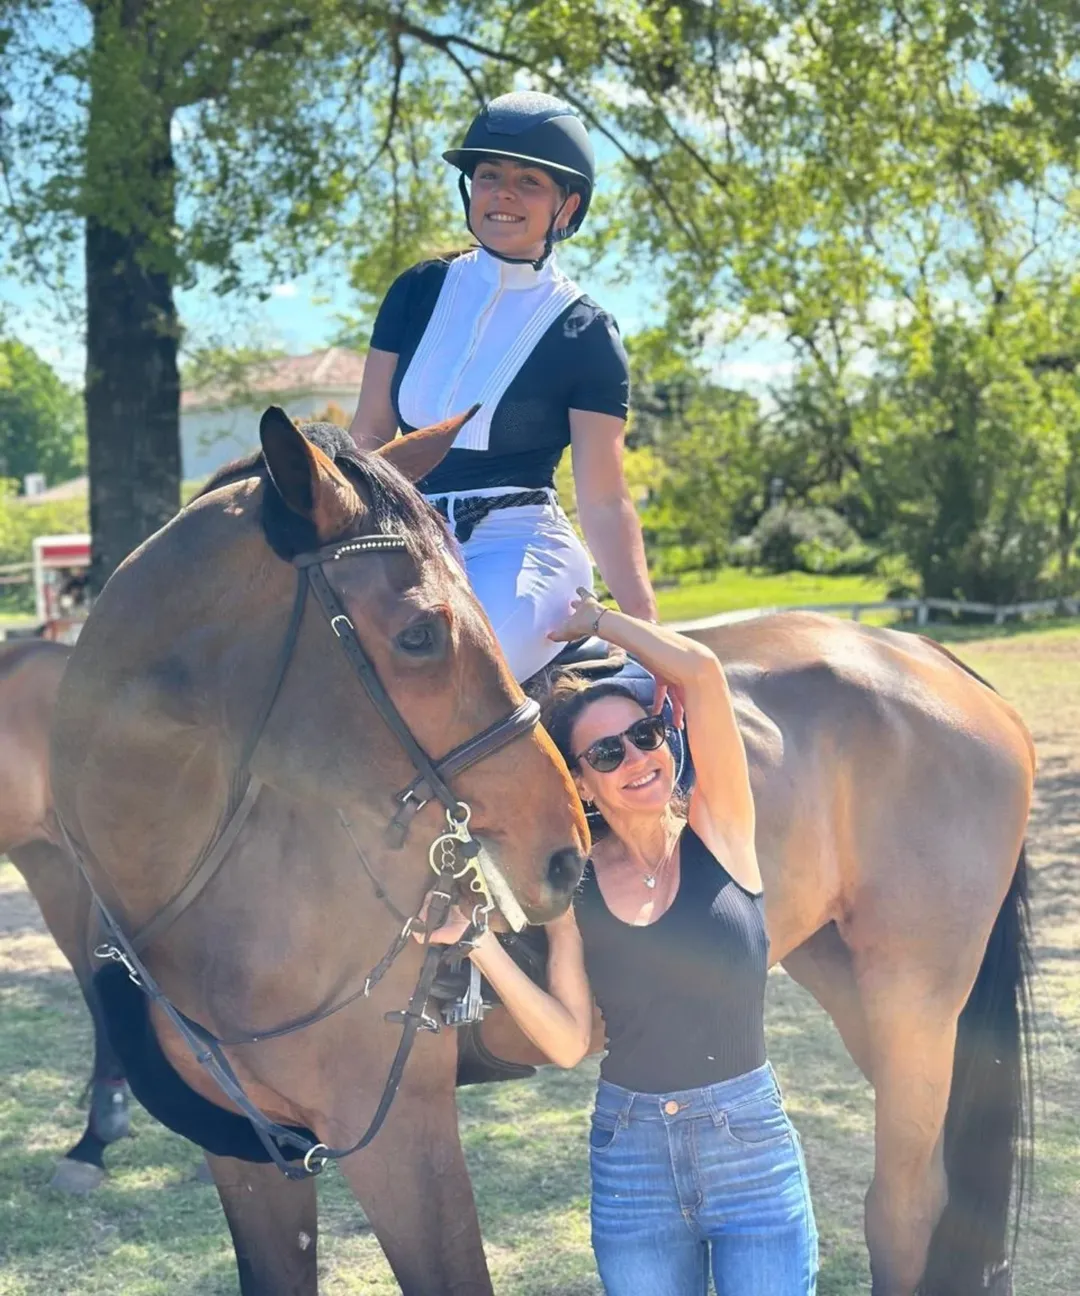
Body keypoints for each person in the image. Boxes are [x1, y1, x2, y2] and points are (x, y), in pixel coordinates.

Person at [425, 588, 818, 1295]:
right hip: (630, 1154)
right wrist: (478, 944)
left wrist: (600, 623)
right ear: (580, 781)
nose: (637, 757)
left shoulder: (719, 832)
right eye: (607, 752)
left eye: (646, 736)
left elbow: (700, 675)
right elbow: (571, 1041)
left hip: (749, 1149)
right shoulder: (577, 893)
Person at [350, 91, 658, 682]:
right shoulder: (415, 291)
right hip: (404, 542)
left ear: (566, 207)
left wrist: (649, 633)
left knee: (455, 677)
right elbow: (368, 434)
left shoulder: (585, 332)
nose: (504, 193)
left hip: (519, 550)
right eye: (490, 175)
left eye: (529, 182)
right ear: (471, 190)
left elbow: (603, 499)